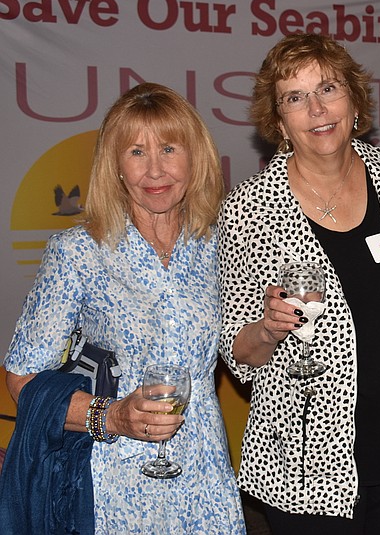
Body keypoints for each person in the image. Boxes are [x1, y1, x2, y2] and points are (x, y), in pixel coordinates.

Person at [2, 83, 245, 533]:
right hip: (114, 481)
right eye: (136, 152)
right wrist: (112, 416)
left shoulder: (221, 245)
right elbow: (21, 379)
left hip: (205, 474)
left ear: (196, 158)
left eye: (170, 148)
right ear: (114, 167)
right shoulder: (78, 252)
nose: (155, 170)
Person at [217, 33, 380, 534]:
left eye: (328, 88)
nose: (317, 108)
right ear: (279, 122)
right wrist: (268, 329)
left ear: (353, 100)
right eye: (295, 97)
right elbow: (237, 351)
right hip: (303, 463)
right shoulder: (251, 208)